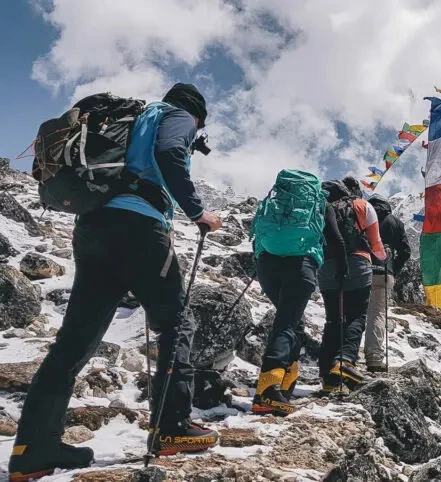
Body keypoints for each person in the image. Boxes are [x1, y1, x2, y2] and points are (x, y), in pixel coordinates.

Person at [9, 83, 223, 481]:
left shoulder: (126, 119)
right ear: (197, 114)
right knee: (176, 324)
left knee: (74, 342)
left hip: (92, 228)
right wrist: (197, 212)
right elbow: (170, 151)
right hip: (139, 228)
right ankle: (172, 428)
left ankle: (31, 451)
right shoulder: (174, 116)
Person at [249, 169, 326, 416]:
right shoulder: (318, 205)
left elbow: (256, 231)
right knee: (286, 323)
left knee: (295, 323)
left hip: (267, 265)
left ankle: (285, 384)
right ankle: (267, 390)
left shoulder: (275, 202)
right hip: (300, 265)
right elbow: (332, 237)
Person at [318, 177, 386, 390]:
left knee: (333, 319)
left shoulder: (320, 207)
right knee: (356, 315)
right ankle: (345, 360)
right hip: (357, 263)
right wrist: (383, 259)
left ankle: (328, 378)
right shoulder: (362, 206)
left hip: (327, 266)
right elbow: (375, 244)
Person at [364, 194, 411, 372]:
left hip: (361, 269)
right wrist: (394, 269)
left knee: (355, 312)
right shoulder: (396, 222)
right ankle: (374, 358)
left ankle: (345, 357)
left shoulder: (363, 216)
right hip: (384, 273)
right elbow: (406, 251)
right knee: (377, 314)